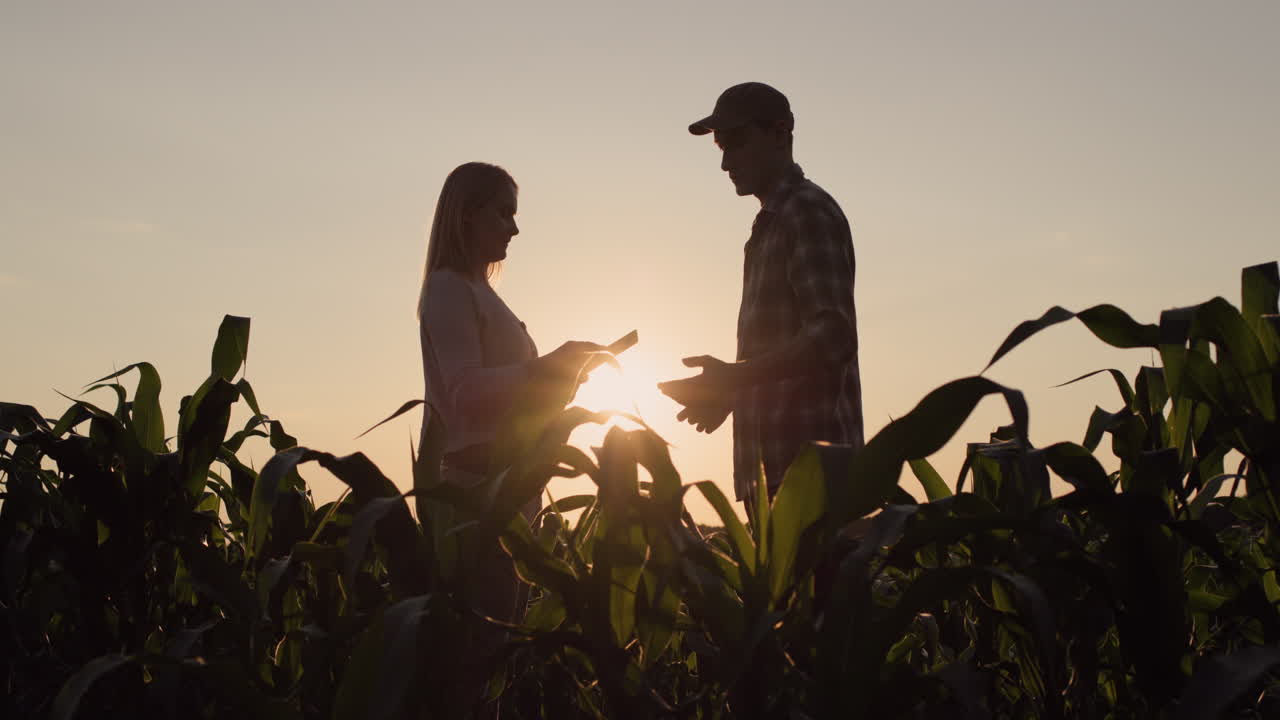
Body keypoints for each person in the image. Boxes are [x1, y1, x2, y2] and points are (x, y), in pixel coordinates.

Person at [417, 161, 602, 717]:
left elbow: (506, 400)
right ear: (467, 214)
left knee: (495, 658)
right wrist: (546, 368)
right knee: (480, 659)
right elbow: (464, 395)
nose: (513, 230)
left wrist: (561, 382)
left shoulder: (480, 294)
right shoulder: (449, 290)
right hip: (478, 492)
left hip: (507, 490)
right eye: (504, 213)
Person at [659, 82, 864, 509]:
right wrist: (734, 396)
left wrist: (736, 378)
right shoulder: (772, 223)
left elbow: (833, 337)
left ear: (780, 133)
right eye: (720, 146)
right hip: (776, 474)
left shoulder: (806, 213)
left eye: (735, 142)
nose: (725, 162)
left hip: (810, 476)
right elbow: (789, 348)